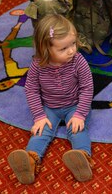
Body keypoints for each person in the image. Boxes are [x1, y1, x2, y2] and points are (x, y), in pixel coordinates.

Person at [7, 14, 94, 184]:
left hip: (75, 105)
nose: (71, 51)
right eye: (63, 49)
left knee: (77, 130)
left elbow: (87, 88)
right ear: (45, 49)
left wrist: (79, 115)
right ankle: (31, 160)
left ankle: (83, 158)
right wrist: (39, 116)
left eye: (73, 44)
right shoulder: (37, 65)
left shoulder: (78, 61)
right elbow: (31, 90)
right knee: (41, 132)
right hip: (50, 107)